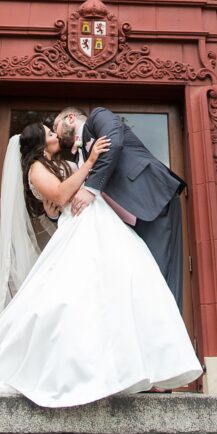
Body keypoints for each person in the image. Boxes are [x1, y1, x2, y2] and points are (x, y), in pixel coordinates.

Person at [0, 121, 202, 407]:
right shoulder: (36, 169)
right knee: (71, 299)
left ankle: (128, 368)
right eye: (49, 133)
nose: (55, 135)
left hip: (99, 223)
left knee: (122, 289)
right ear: (40, 144)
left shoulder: (60, 162)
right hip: (80, 228)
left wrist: (86, 166)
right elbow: (63, 195)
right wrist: (89, 161)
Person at [54, 106, 186, 308]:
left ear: (70, 118)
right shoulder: (78, 158)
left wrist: (90, 188)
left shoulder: (98, 117)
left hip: (149, 198)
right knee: (138, 279)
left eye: (56, 128)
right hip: (122, 223)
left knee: (160, 274)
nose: (56, 135)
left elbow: (114, 144)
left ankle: (167, 335)